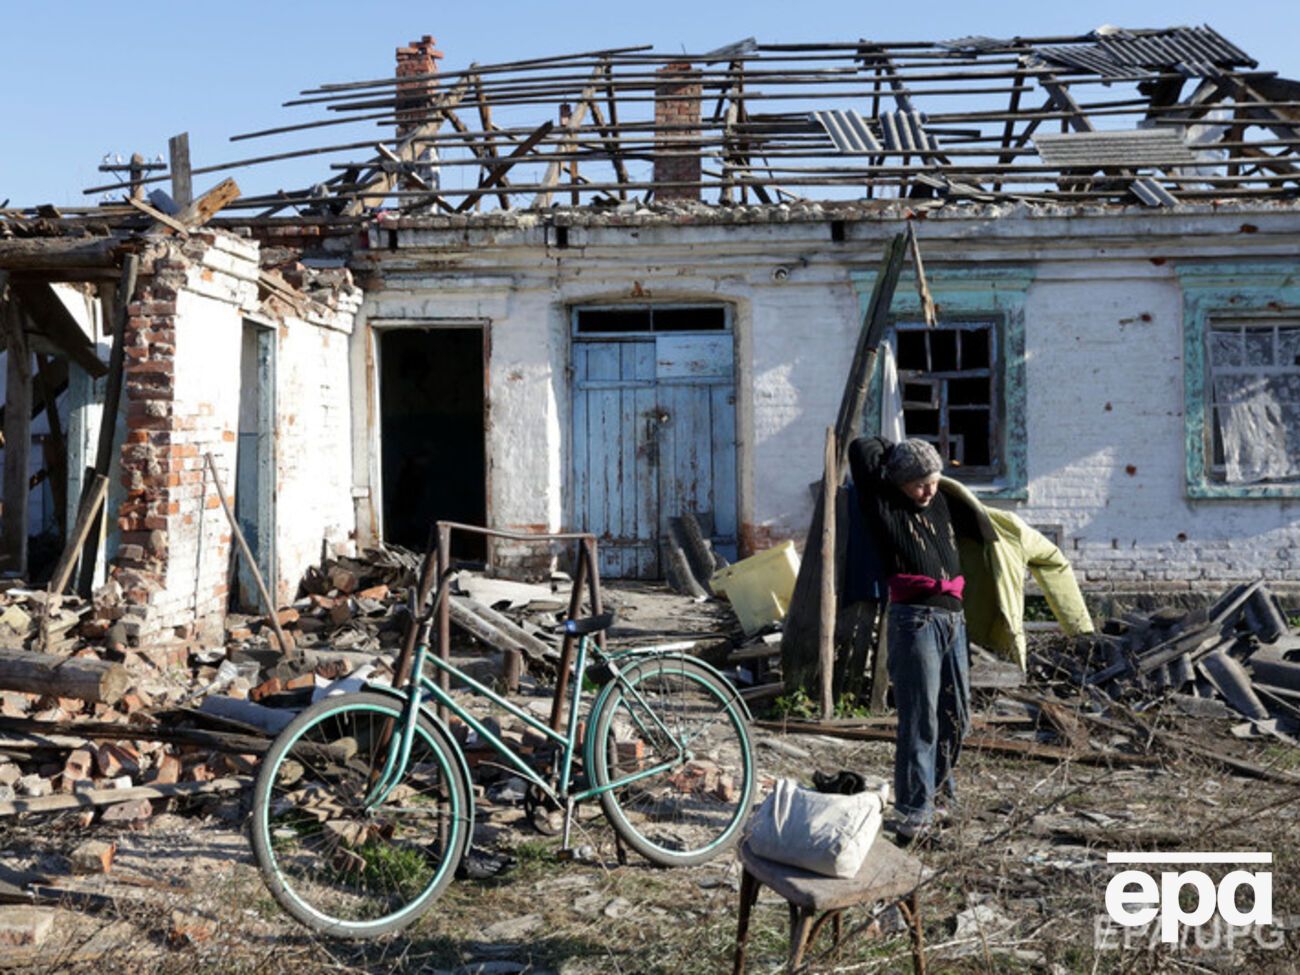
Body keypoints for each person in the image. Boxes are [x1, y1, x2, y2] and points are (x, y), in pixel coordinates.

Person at [848, 437, 970, 843]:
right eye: (919, 483)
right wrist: (900, 455)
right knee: (920, 719)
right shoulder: (883, 503)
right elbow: (861, 449)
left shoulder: (937, 501)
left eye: (933, 480)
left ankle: (939, 796)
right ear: (898, 481)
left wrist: (922, 468)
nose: (929, 490)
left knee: (957, 715)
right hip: (915, 621)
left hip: (953, 619)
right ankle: (914, 814)